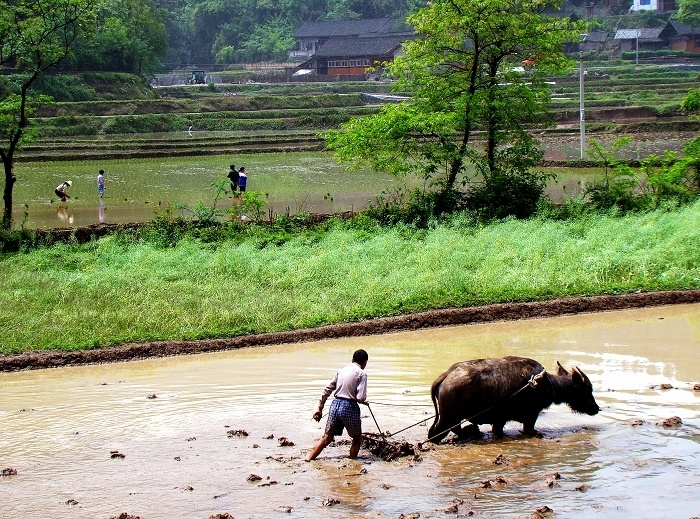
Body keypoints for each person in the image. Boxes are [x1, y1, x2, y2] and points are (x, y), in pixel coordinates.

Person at [307, 349, 369, 461]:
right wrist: (363, 401)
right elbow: (360, 397)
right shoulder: (362, 373)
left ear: (352, 360)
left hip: (335, 404)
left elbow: (327, 389)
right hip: (349, 406)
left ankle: (309, 458)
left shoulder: (342, 370)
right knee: (357, 438)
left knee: (327, 437)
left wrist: (319, 407)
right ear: (365, 362)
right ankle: (352, 463)